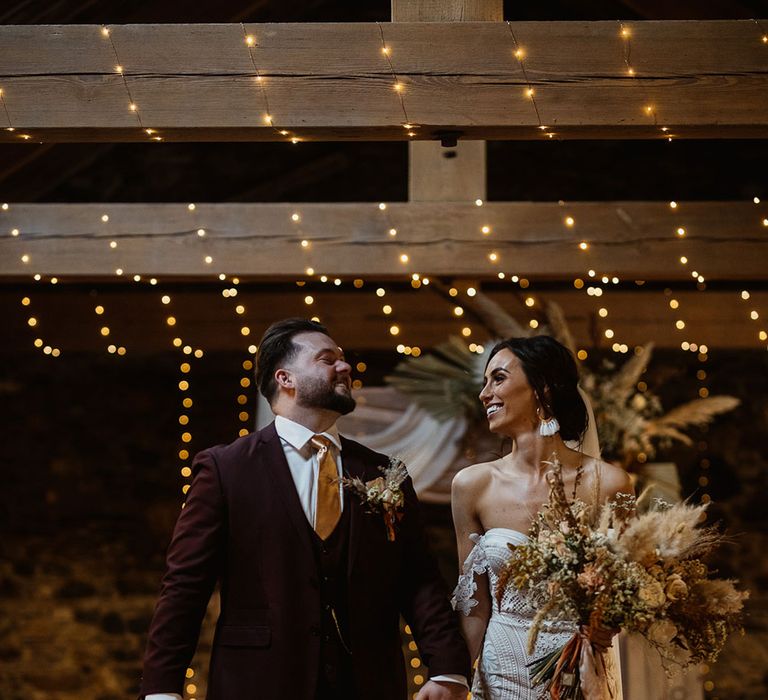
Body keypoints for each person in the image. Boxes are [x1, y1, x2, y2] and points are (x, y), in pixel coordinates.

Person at [139, 318, 470, 700]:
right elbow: (185, 584)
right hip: (259, 682)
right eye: (327, 359)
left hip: (368, 682)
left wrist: (446, 667)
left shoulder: (384, 472)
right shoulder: (226, 469)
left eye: (343, 359)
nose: (345, 367)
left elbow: (418, 578)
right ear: (285, 379)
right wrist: (162, 688)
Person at [450, 335, 633, 699]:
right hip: (500, 672)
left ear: (542, 389)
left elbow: (627, 592)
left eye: (498, 378)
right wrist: (455, 682)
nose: (485, 394)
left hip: (579, 671)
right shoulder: (472, 485)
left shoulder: (611, 484)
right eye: (484, 383)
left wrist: (607, 623)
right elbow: (474, 606)